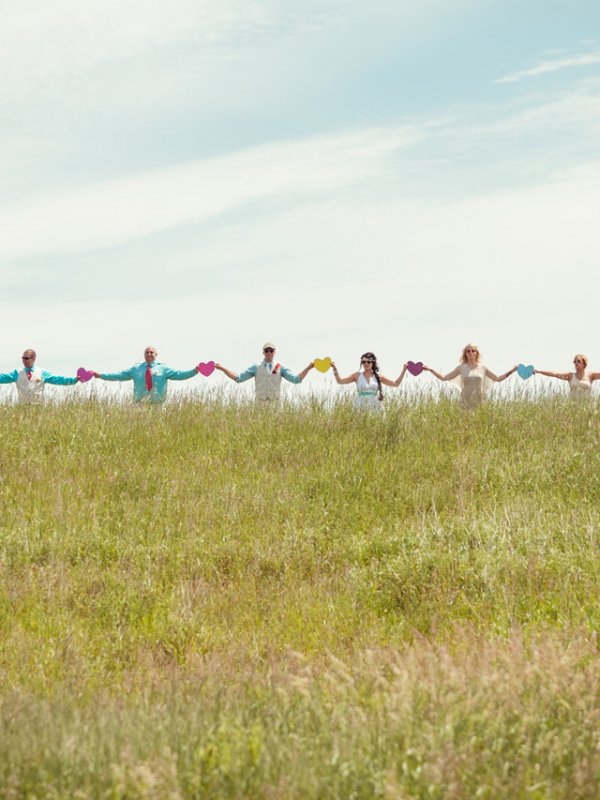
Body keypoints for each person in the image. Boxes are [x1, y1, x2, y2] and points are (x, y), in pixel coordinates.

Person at [92, 346, 200, 404]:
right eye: (147, 352)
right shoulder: (136, 368)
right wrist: (101, 375)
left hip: (158, 406)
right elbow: (119, 375)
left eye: (151, 352)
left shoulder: (163, 368)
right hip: (139, 405)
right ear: (144, 355)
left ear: (156, 355)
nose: (149, 354)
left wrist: (194, 371)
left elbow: (180, 375)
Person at [423, 343, 516, 408]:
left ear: (476, 353)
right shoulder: (461, 368)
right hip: (465, 400)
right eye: (468, 351)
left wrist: (512, 370)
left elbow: (498, 379)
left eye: (473, 350)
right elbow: (444, 378)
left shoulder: (483, 367)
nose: (470, 353)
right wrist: (431, 370)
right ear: (465, 354)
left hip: (479, 400)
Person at [215, 343, 314, 402]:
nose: (269, 353)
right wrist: (222, 368)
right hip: (260, 404)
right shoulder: (256, 366)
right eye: (266, 350)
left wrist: (308, 368)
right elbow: (238, 378)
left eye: (271, 350)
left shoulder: (279, 366)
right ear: (263, 352)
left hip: (275, 405)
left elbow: (296, 380)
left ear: (275, 352)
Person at [330, 352, 407, 411]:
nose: (366, 363)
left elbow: (396, 384)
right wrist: (334, 368)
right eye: (363, 362)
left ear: (373, 363)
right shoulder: (356, 375)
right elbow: (340, 381)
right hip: (360, 406)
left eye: (368, 362)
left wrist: (404, 369)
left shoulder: (379, 376)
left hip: (375, 406)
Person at [0, 349, 79, 404]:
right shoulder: (17, 373)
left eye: (26, 358)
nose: (24, 360)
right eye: (23, 358)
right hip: (22, 407)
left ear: (33, 358)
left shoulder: (42, 373)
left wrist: (74, 380)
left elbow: (57, 379)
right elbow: (3, 377)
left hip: (38, 406)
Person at [535, 354, 600, 398]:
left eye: (578, 361)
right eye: (574, 361)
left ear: (584, 363)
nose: (576, 363)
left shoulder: (591, 375)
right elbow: (555, 374)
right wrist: (540, 371)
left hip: (587, 406)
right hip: (573, 406)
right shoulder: (570, 376)